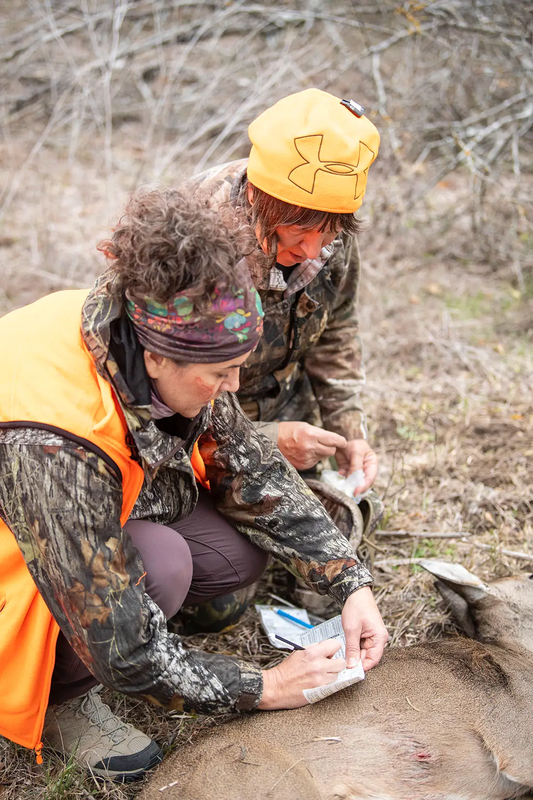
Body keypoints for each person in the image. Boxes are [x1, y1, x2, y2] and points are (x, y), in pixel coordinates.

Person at [0, 188, 388, 782]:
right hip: (24, 544)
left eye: (238, 367)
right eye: (219, 374)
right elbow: (123, 645)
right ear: (157, 360)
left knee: (231, 551)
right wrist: (266, 686)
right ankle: (59, 697)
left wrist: (349, 583)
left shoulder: (158, 323)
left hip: (74, 510)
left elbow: (252, 465)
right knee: (161, 565)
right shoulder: (56, 441)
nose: (232, 386)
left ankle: (141, 633)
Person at [195, 88, 380, 497]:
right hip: (199, 437)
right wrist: (266, 437)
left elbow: (337, 327)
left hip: (294, 417)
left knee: (345, 513)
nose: (313, 251)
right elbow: (164, 393)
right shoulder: (195, 235)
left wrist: (350, 431)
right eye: (298, 232)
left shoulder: (328, 224)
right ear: (259, 199)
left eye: (328, 234)